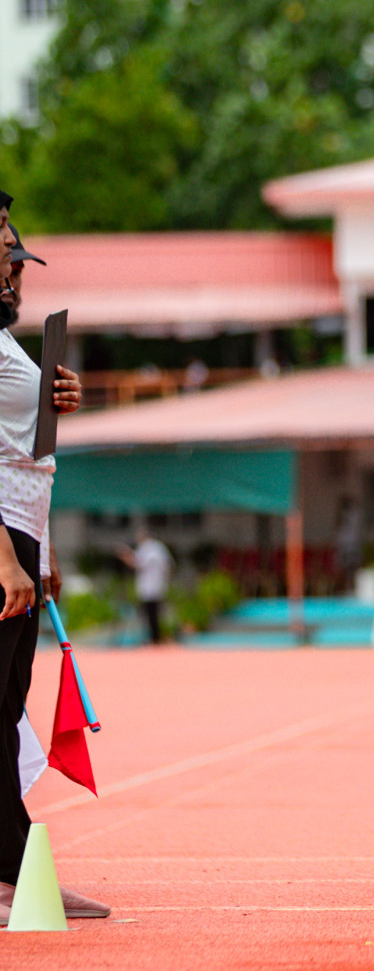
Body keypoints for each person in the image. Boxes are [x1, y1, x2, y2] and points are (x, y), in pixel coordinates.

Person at [0, 208, 108, 923]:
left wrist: (44, 547)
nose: (16, 268)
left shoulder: (5, 345)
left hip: (22, 533)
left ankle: (17, 870)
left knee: (5, 712)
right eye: (7, 252)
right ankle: (14, 872)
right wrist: (6, 555)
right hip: (1, 541)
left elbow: (22, 448)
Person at [118, 528, 174, 644]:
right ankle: (156, 637)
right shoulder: (160, 548)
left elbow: (136, 563)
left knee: (149, 615)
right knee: (156, 614)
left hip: (148, 588)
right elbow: (169, 565)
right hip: (158, 586)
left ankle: (154, 638)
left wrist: (126, 555)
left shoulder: (146, 548)